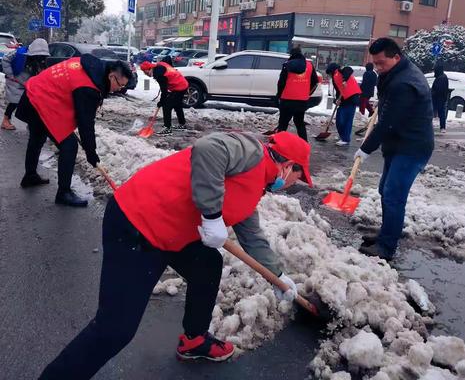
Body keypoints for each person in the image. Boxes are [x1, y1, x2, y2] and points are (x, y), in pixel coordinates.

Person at [38, 131, 312, 379]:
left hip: (170, 233)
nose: (294, 184)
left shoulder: (257, 184)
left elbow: (251, 235)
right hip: (138, 225)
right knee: (115, 330)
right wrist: (212, 215)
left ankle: (194, 340)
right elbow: (208, 148)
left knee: (207, 263)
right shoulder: (252, 152)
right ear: (288, 166)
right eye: (299, 177)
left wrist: (278, 276)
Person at [354, 37, 434, 261]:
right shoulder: (395, 73)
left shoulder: (404, 84)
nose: (378, 68)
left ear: (396, 57)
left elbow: (389, 123)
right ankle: (386, 233)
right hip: (399, 144)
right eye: (375, 63)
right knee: (385, 190)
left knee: (393, 195)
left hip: (412, 147)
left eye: (381, 63)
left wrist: (366, 148)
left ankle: (386, 247)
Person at [15, 55, 132, 207]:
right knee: (69, 145)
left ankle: (30, 176)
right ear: (111, 76)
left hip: (34, 93)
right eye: (120, 85)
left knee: (37, 137)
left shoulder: (90, 66)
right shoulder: (88, 87)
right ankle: (64, 193)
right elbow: (85, 122)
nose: (119, 89)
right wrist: (91, 153)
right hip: (41, 100)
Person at [1, 38, 49, 130]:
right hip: (15, 79)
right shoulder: (18, 53)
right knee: (15, 101)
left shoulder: (42, 58)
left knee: (32, 102)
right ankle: (5, 120)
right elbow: (5, 59)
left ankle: (30, 122)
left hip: (28, 81)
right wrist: (10, 74)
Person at [276, 47, 319, 142]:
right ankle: (304, 144)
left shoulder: (287, 65)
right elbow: (315, 81)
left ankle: (278, 144)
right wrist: (307, 92)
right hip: (302, 100)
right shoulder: (310, 65)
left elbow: (281, 83)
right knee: (299, 122)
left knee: (283, 123)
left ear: (291, 55)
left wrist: (278, 95)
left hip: (287, 99)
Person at [140, 56, 189, 135]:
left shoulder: (159, 74)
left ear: (149, 69)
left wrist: (161, 102)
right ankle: (182, 124)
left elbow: (164, 90)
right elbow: (167, 59)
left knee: (166, 106)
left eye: (145, 72)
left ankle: (167, 128)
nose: (145, 74)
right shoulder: (159, 65)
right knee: (177, 105)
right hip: (182, 84)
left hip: (179, 86)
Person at [324, 62, 361, 146]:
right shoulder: (334, 77)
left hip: (352, 97)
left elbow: (349, 69)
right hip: (344, 98)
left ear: (332, 71)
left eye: (329, 73)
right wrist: (337, 100)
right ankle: (342, 136)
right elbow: (338, 90)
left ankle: (345, 139)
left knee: (347, 120)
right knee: (339, 119)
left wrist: (344, 80)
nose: (329, 75)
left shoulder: (340, 70)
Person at [430, 61, 449, 133]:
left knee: (434, 112)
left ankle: (441, 127)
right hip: (441, 98)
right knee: (441, 113)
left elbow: (438, 89)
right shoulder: (442, 77)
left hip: (438, 98)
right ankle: (442, 127)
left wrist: (432, 93)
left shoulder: (441, 78)